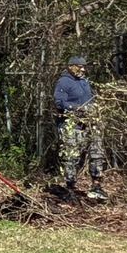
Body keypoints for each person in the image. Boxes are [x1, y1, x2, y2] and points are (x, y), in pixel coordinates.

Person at [52, 55, 106, 202]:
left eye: (84, 67)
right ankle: (70, 188)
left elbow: (91, 100)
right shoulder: (64, 82)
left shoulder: (84, 82)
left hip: (89, 124)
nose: (82, 69)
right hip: (71, 126)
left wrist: (94, 110)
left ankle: (96, 186)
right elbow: (59, 103)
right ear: (71, 67)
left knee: (96, 152)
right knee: (72, 157)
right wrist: (79, 109)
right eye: (79, 67)